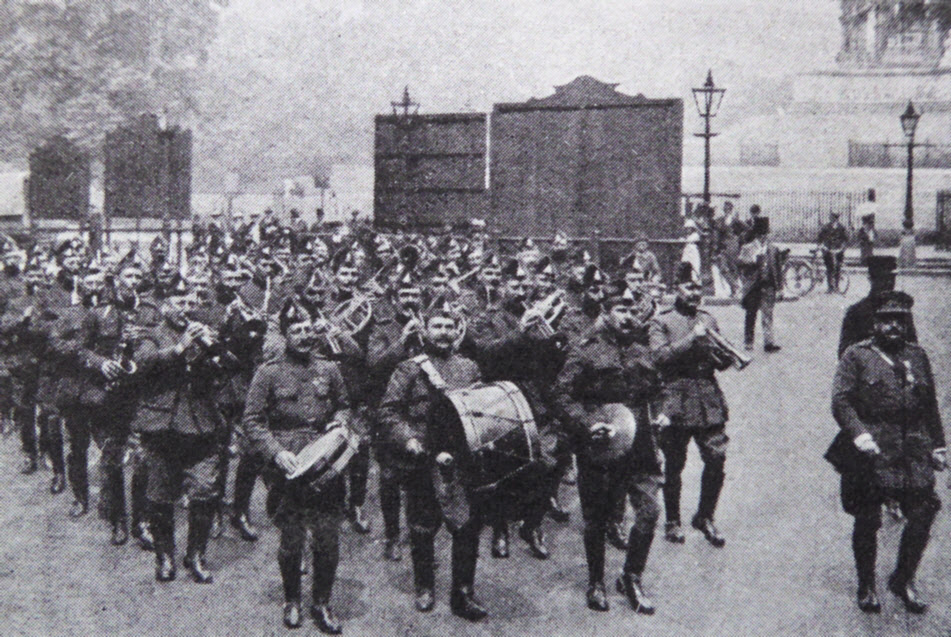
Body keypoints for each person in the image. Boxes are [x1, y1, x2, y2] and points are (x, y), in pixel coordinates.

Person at [828, 291, 945, 615]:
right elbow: (841, 401)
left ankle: (903, 578)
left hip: (912, 448)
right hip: (872, 448)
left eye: (900, 320)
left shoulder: (917, 356)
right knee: (867, 518)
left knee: (923, 511)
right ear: (875, 323)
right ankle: (866, 584)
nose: (894, 326)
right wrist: (859, 433)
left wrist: (938, 444)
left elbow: (930, 403)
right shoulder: (856, 356)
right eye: (886, 320)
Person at [241, 299, 352, 633]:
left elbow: (345, 406)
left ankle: (321, 603)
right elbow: (252, 420)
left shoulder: (329, 369)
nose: (305, 336)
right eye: (297, 330)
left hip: (326, 462)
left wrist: (340, 422)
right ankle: (292, 600)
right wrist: (275, 452)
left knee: (328, 539)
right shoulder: (268, 372)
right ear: (285, 335)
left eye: (308, 329)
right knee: (291, 541)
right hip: (287, 467)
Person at [555, 281, 663, 614]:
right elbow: (561, 395)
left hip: (640, 444)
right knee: (596, 518)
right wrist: (587, 424)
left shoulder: (642, 349)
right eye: (622, 310)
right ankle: (596, 581)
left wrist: (662, 415)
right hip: (601, 444)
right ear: (606, 312)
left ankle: (631, 576)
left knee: (649, 511)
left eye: (633, 310)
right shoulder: (585, 349)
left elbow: (659, 389)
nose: (629, 316)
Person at [377, 301, 488, 620]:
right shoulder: (409, 368)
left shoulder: (469, 367)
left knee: (466, 528)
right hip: (423, 457)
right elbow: (388, 411)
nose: (443, 332)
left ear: (457, 332)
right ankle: (424, 585)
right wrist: (408, 439)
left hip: (462, 458)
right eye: (437, 326)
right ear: (425, 330)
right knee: (422, 526)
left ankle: (462, 593)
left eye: (449, 327)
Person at [135, 282, 230, 584]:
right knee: (161, 496)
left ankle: (196, 555)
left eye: (191, 303)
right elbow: (143, 364)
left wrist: (216, 350)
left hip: (201, 425)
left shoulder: (205, 331)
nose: (186, 309)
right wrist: (179, 348)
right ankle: (164, 555)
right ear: (165, 306)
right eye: (180, 302)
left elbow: (230, 367)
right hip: (163, 427)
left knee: (204, 492)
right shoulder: (151, 334)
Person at [650, 263, 733, 547]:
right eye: (689, 287)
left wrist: (725, 358)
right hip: (675, 397)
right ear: (677, 289)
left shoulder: (708, 319)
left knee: (716, 458)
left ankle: (705, 516)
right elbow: (659, 357)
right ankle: (672, 520)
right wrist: (691, 339)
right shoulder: (662, 321)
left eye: (698, 288)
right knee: (673, 463)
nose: (695, 293)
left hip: (707, 398)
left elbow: (718, 360)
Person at [838, 255, 917, 359]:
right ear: (871, 279)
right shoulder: (856, 312)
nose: (889, 283)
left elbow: (913, 348)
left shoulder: (901, 310)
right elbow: (845, 354)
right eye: (882, 279)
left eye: (892, 278)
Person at [738, 217, 784, 353]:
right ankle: (748, 341)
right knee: (751, 314)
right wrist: (752, 260)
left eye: (765, 234)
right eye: (761, 235)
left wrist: (780, 288)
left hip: (768, 285)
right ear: (756, 235)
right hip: (753, 286)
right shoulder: (748, 248)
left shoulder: (773, 249)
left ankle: (769, 342)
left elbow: (778, 269)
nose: (763, 237)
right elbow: (740, 263)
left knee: (768, 314)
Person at [817, 212, 848, 293]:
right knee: (829, 268)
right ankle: (830, 287)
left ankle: (837, 287)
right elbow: (820, 237)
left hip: (838, 250)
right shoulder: (826, 227)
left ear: (836, 218)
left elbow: (845, 239)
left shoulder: (841, 228)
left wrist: (842, 248)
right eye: (831, 217)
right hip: (828, 250)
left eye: (833, 217)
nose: (831, 219)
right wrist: (822, 246)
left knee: (838, 268)